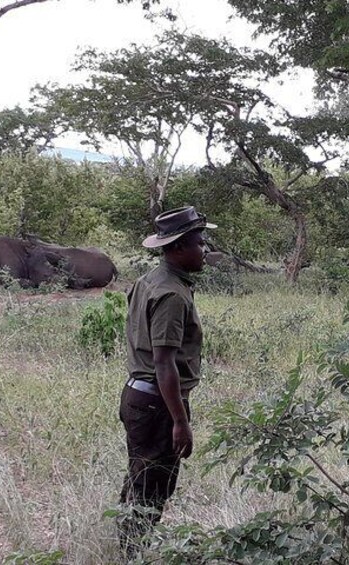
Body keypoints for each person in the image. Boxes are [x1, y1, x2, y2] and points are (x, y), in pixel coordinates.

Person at [117, 206, 215, 555]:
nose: (205, 249)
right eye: (200, 243)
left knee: (140, 479)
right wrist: (180, 421)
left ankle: (129, 546)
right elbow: (164, 363)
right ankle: (133, 552)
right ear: (176, 248)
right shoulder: (172, 294)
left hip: (138, 396)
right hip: (158, 402)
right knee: (152, 487)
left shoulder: (150, 281)